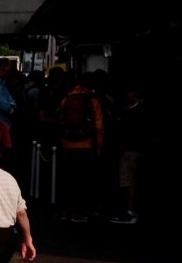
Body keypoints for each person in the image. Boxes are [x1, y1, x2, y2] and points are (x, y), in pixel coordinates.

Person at [54, 71, 105, 222]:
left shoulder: (66, 99)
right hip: (86, 144)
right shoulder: (92, 100)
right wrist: (99, 147)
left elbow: (59, 118)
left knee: (66, 179)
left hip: (66, 143)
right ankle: (80, 211)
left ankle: (65, 210)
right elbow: (99, 126)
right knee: (83, 180)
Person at [106, 84, 142, 225]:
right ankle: (130, 210)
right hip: (135, 148)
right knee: (131, 180)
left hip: (129, 148)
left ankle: (130, 211)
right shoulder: (141, 110)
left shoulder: (132, 112)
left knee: (128, 181)